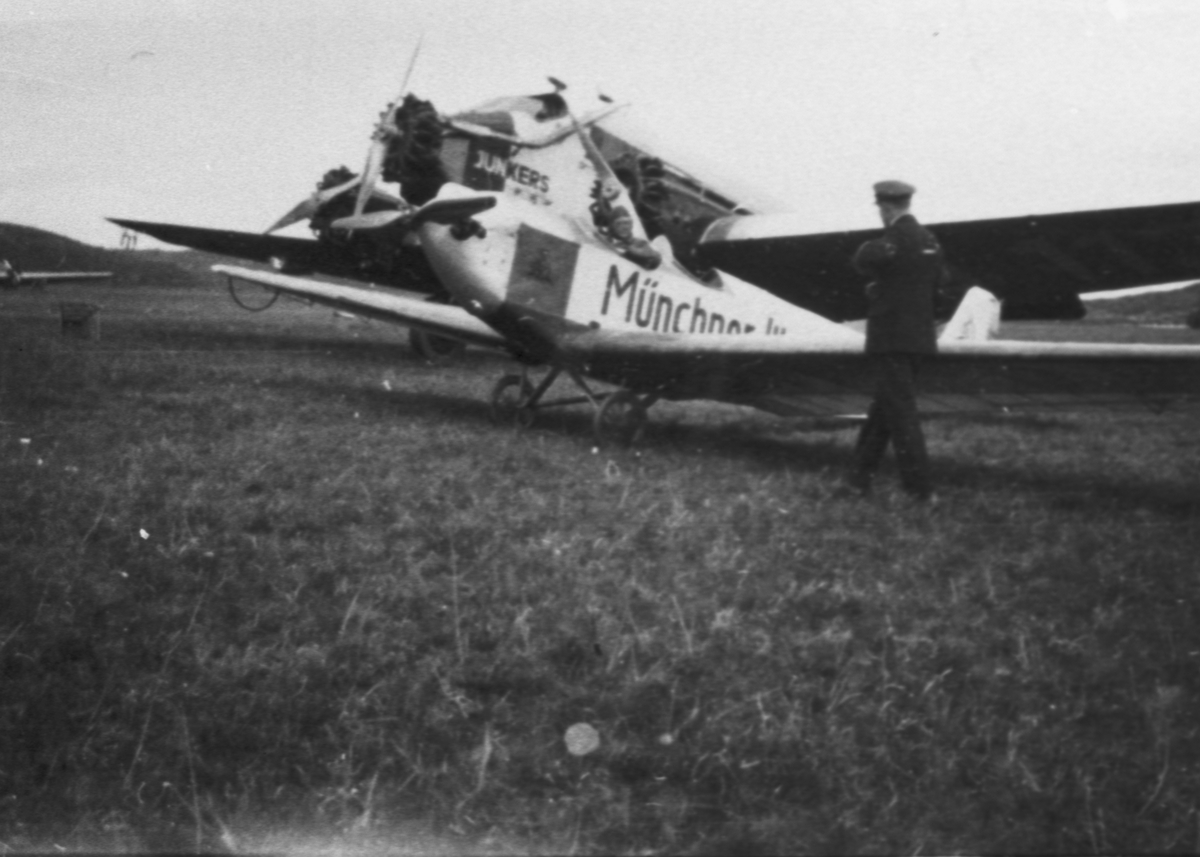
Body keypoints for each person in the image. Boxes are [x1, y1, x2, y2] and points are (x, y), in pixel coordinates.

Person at [849, 180, 946, 501]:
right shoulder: (931, 242)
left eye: (880, 208)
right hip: (919, 339)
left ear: (886, 207)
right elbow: (936, 287)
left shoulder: (886, 243)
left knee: (901, 415)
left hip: (890, 338)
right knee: (884, 410)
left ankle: (921, 491)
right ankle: (855, 481)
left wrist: (876, 288)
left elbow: (861, 262)